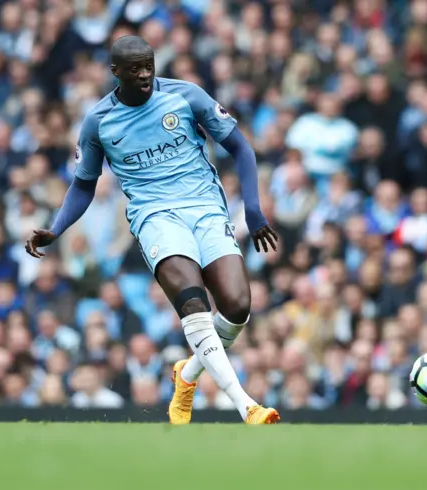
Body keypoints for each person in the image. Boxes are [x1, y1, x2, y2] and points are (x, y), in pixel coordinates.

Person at [24, 36, 280, 425]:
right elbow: (83, 184)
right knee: (193, 303)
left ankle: (187, 373)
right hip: (155, 215)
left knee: (238, 307)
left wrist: (254, 209)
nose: (144, 73)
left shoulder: (186, 96)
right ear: (115, 72)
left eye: (149, 65)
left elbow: (242, 148)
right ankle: (247, 406)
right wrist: (57, 229)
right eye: (135, 68)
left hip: (206, 208)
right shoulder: (99, 121)